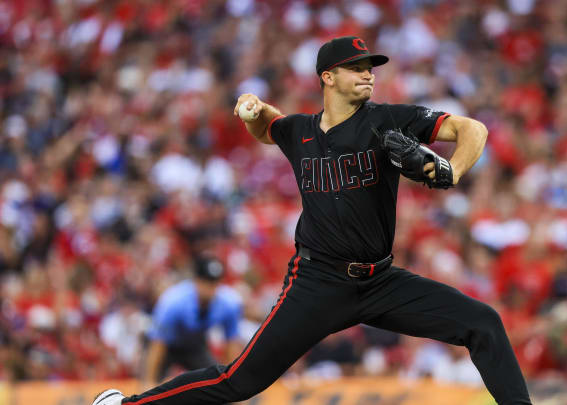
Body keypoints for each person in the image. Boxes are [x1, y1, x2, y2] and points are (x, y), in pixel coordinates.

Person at [93, 36, 532, 405]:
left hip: (380, 281)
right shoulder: (300, 132)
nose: (368, 74)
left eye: (370, 68)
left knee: (483, 322)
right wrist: (254, 107)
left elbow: (473, 128)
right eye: (356, 67)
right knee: (239, 381)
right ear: (328, 77)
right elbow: (270, 126)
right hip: (317, 281)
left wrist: (454, 169)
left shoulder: (387, 119)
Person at [141, 254, 243, 390]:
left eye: (215, 282)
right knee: (149, 390)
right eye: (206, 281)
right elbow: (158, 343)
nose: (210, 288)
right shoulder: (173, 301)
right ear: (196, 280)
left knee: (219, 384)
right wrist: (149, 381)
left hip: (194, 345)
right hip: (167, 345)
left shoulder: (229, 303)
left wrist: (234, 383)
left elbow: (231, 343)